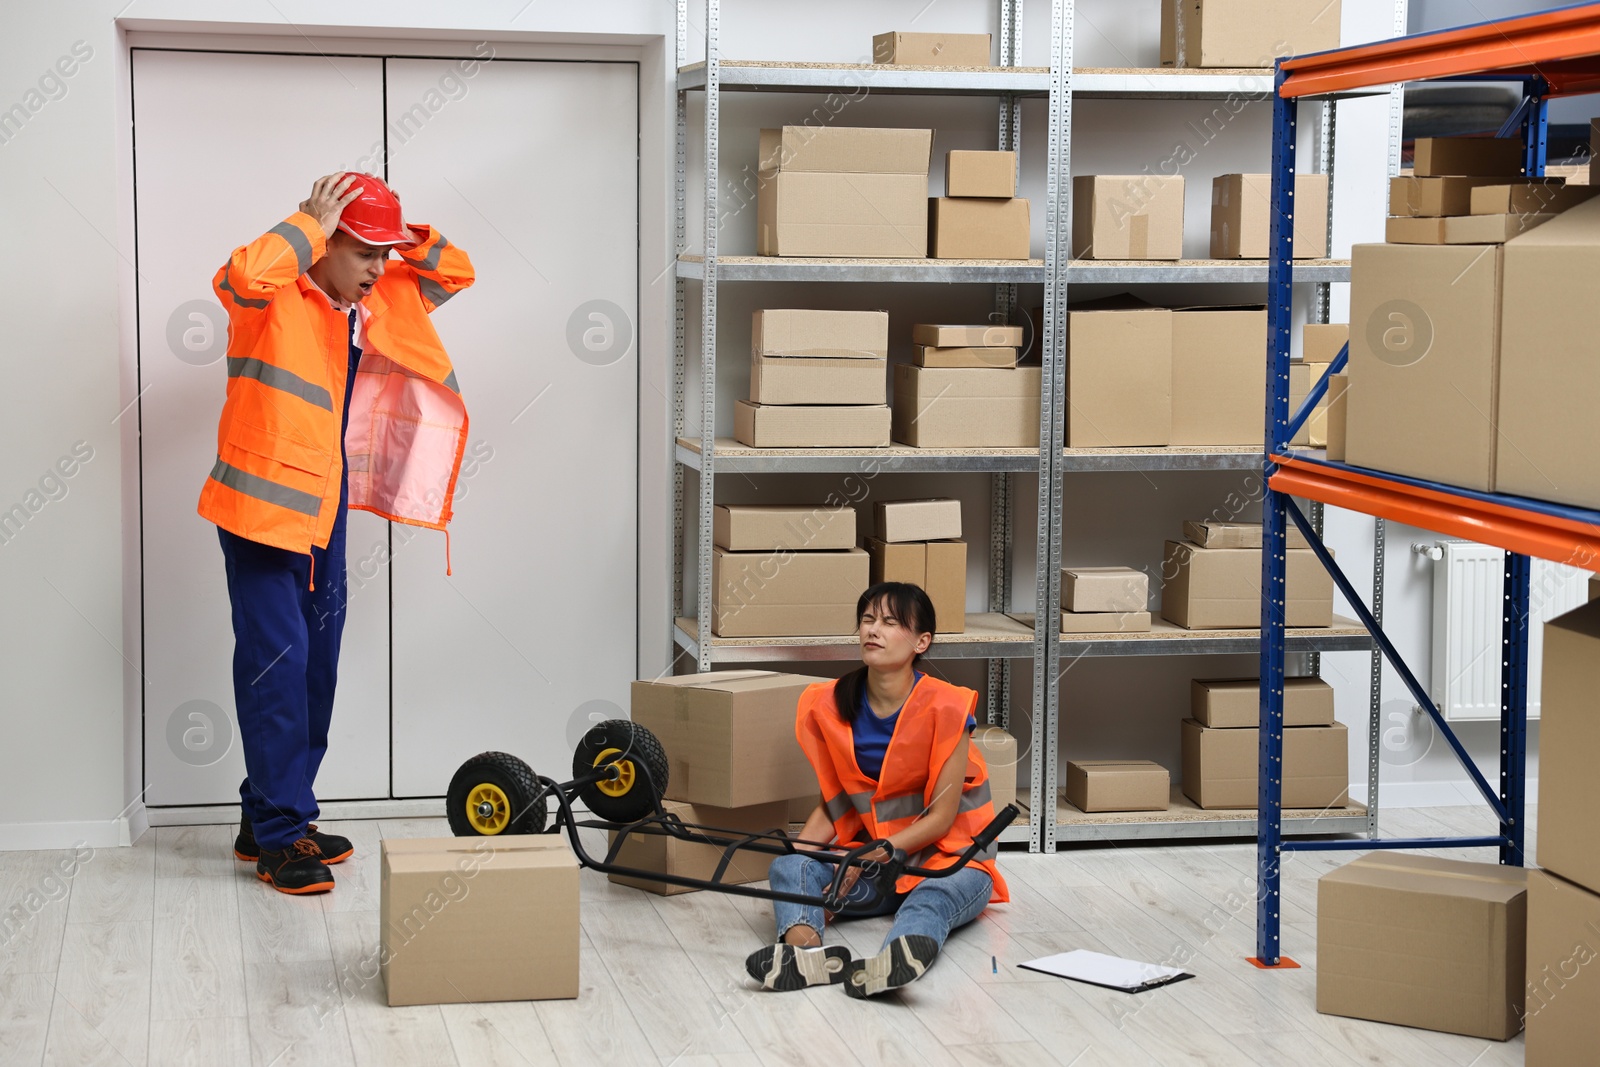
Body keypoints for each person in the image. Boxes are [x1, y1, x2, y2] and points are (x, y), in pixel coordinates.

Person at [200, 172, 474, 894]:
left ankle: (268, 814)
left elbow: (455, 268)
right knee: (277, 671)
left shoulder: (372, 299)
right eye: (364, 253)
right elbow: (239, 275)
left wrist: (389, 230)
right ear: (323, 246)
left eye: (383, 256)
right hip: (262, 514)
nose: (379, 270)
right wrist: (310, 223)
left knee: (316, 668)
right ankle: (284, 836)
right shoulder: (270, 300)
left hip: (324, 514)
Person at [745, 582, 1009, 997]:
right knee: (788, 865)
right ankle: (806, 955)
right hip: (877, 866)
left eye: (889, 622)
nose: (873, 630)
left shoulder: (948, 707)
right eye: (868, 620)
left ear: (922, 641)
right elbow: (836, 804)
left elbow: (940, 819)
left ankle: (891, 965)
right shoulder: (831, 703)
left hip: (953, 862)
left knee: (931, 899)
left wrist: (869, 853)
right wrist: (803, 864)